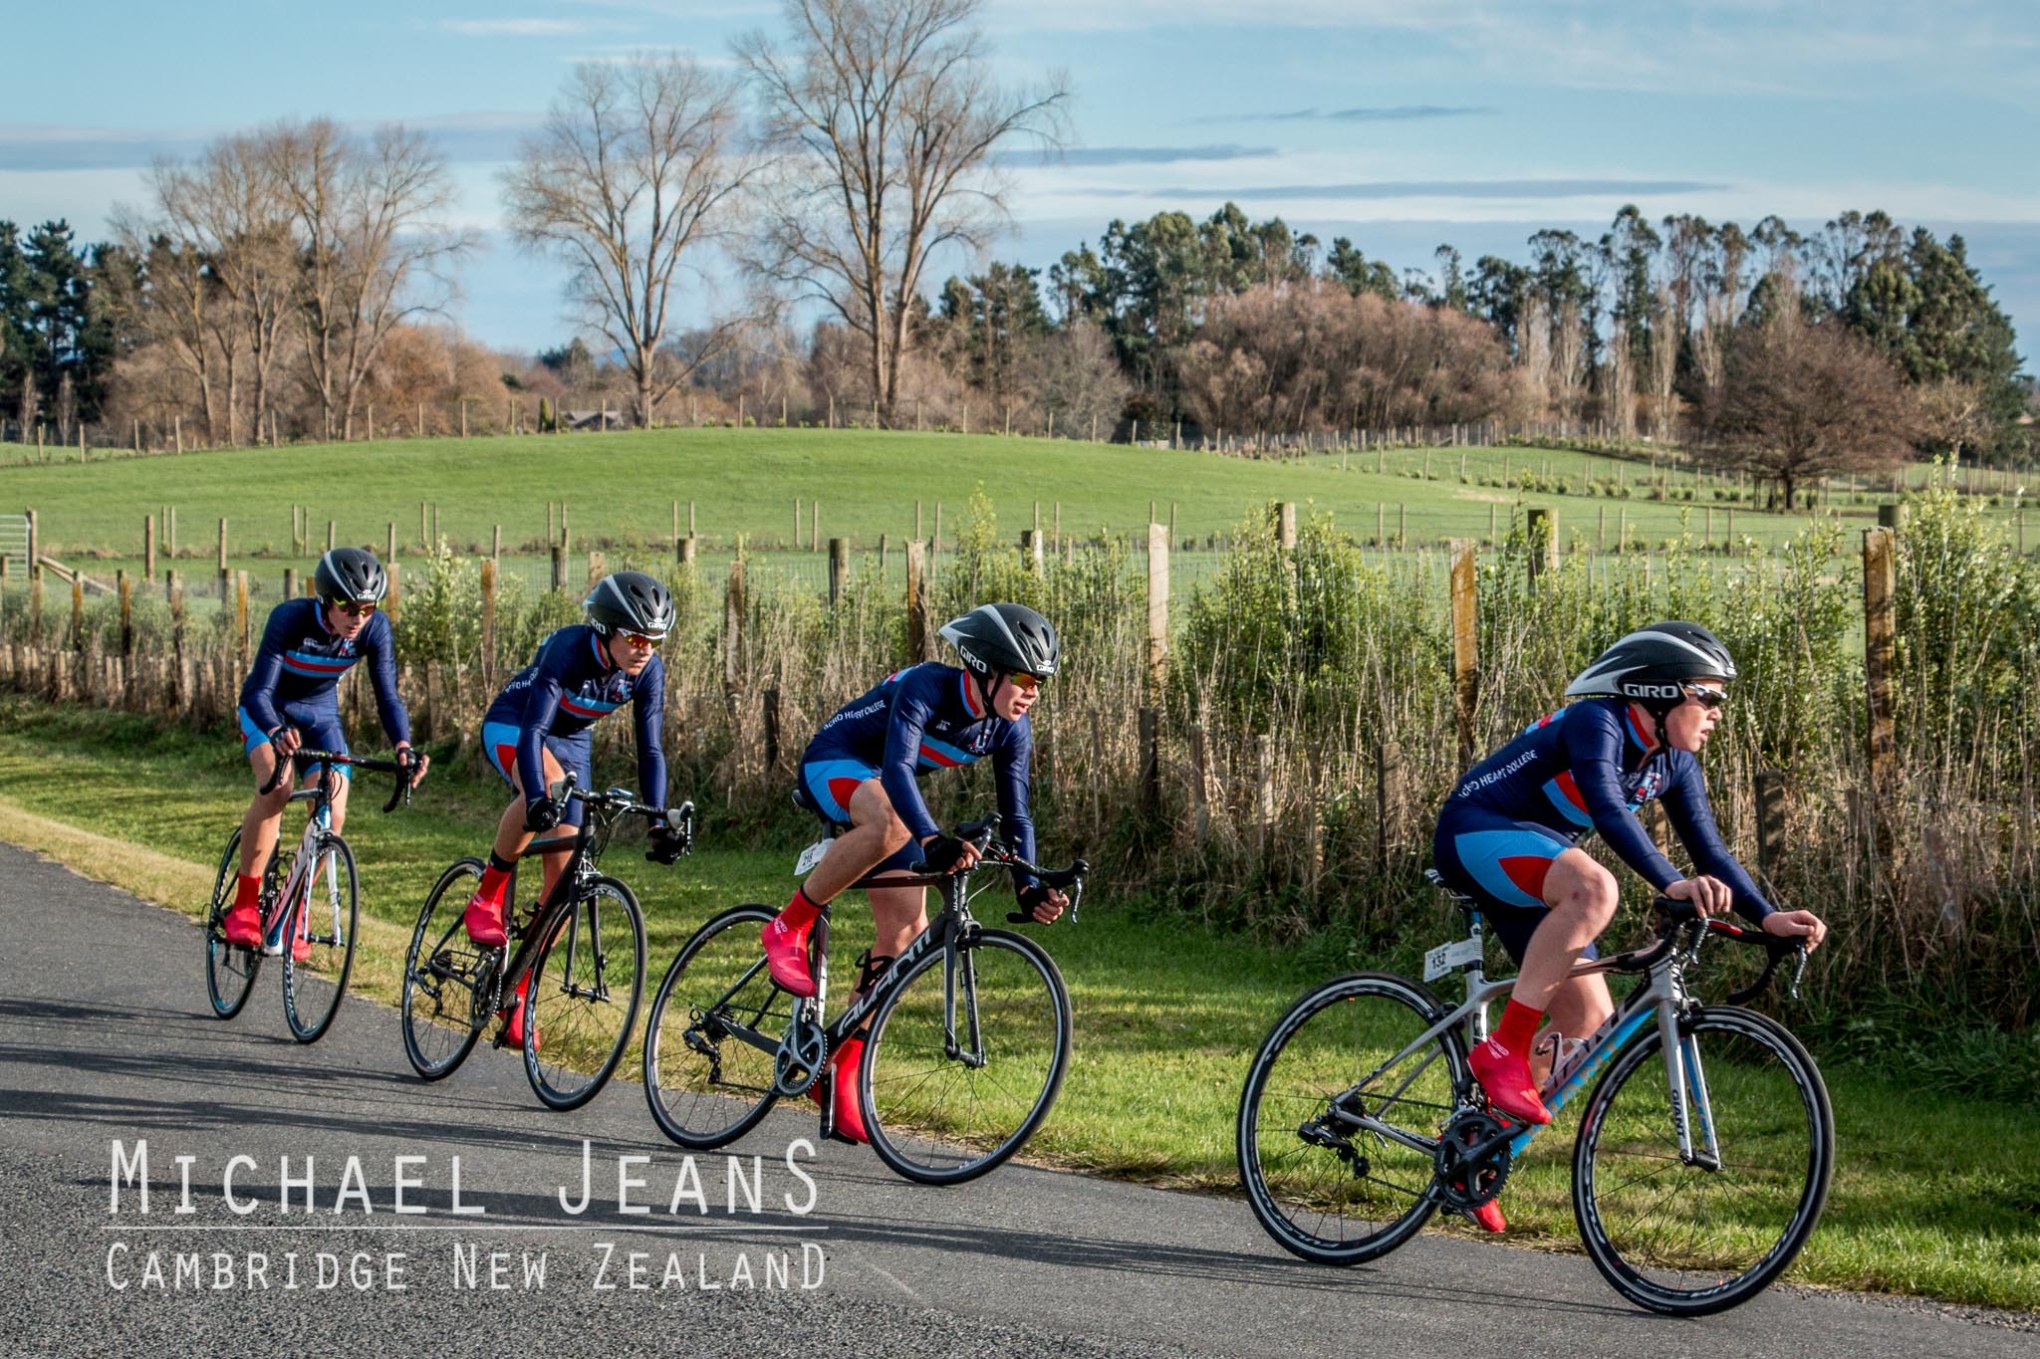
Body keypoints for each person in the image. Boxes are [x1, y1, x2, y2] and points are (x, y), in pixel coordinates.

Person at [1431, 621, 1827, 1232]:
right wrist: (1670, 882)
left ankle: (1477, 1155)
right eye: (1710, 695)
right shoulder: (1600, 722)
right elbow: (1609, 808)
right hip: (1475, 831)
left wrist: (1769, 916)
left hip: (1538, 864)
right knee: (1597, 888)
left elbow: (1713, 852)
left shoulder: (1673, 762)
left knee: (1587, 1024)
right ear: (1664, 692)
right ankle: (1502, 1051)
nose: (1718, 711)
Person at [760, 603, 1070, 1143]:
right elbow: (899, 768)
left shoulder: (1008, 731)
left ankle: (838, 1069)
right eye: (1024, 678)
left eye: (1040, 682)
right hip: (834, 762)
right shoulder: (928, 686)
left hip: (883, 789)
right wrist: (932, 839)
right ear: (984, 668)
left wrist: (1030, 883)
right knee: (891, 826)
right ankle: (788, 925)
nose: (1033, 692)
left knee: (906, 933)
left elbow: (1017, 813)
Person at [465, 570, 687, 1047]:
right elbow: (533, 732)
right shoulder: (568, 649)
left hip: (572, 745)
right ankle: (485, 896)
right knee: (537, 791)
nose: (644, 648)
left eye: (654, 639)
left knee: (560, 887)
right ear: (606, 629)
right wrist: (541, 798)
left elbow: (650, 752)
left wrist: (657, 820)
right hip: (517, 725)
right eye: (634, 636)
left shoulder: (647, 671)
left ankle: (517, 994)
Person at [224, 547, 427, 953]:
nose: (358, 617)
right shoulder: (290, 618)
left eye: (367, 608)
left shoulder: (373, 629)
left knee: (332, 814)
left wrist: (403, 745)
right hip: (268, 711)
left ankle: (293, 905)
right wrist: (275, 729)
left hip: (320, 720)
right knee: (278, 787)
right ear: (326, 597)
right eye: (348, 606)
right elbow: (259, 690)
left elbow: (387, 697)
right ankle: (245, 903)